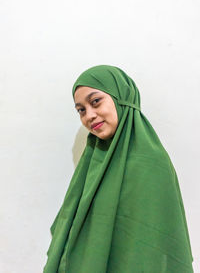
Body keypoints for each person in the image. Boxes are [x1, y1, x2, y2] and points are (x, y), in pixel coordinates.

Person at [43, 65, 194, 272]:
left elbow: (157, 245)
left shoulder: (152, 163)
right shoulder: (92, 161)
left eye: (95, 102)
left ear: (121, 97)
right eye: (81, 110)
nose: (89, 115)